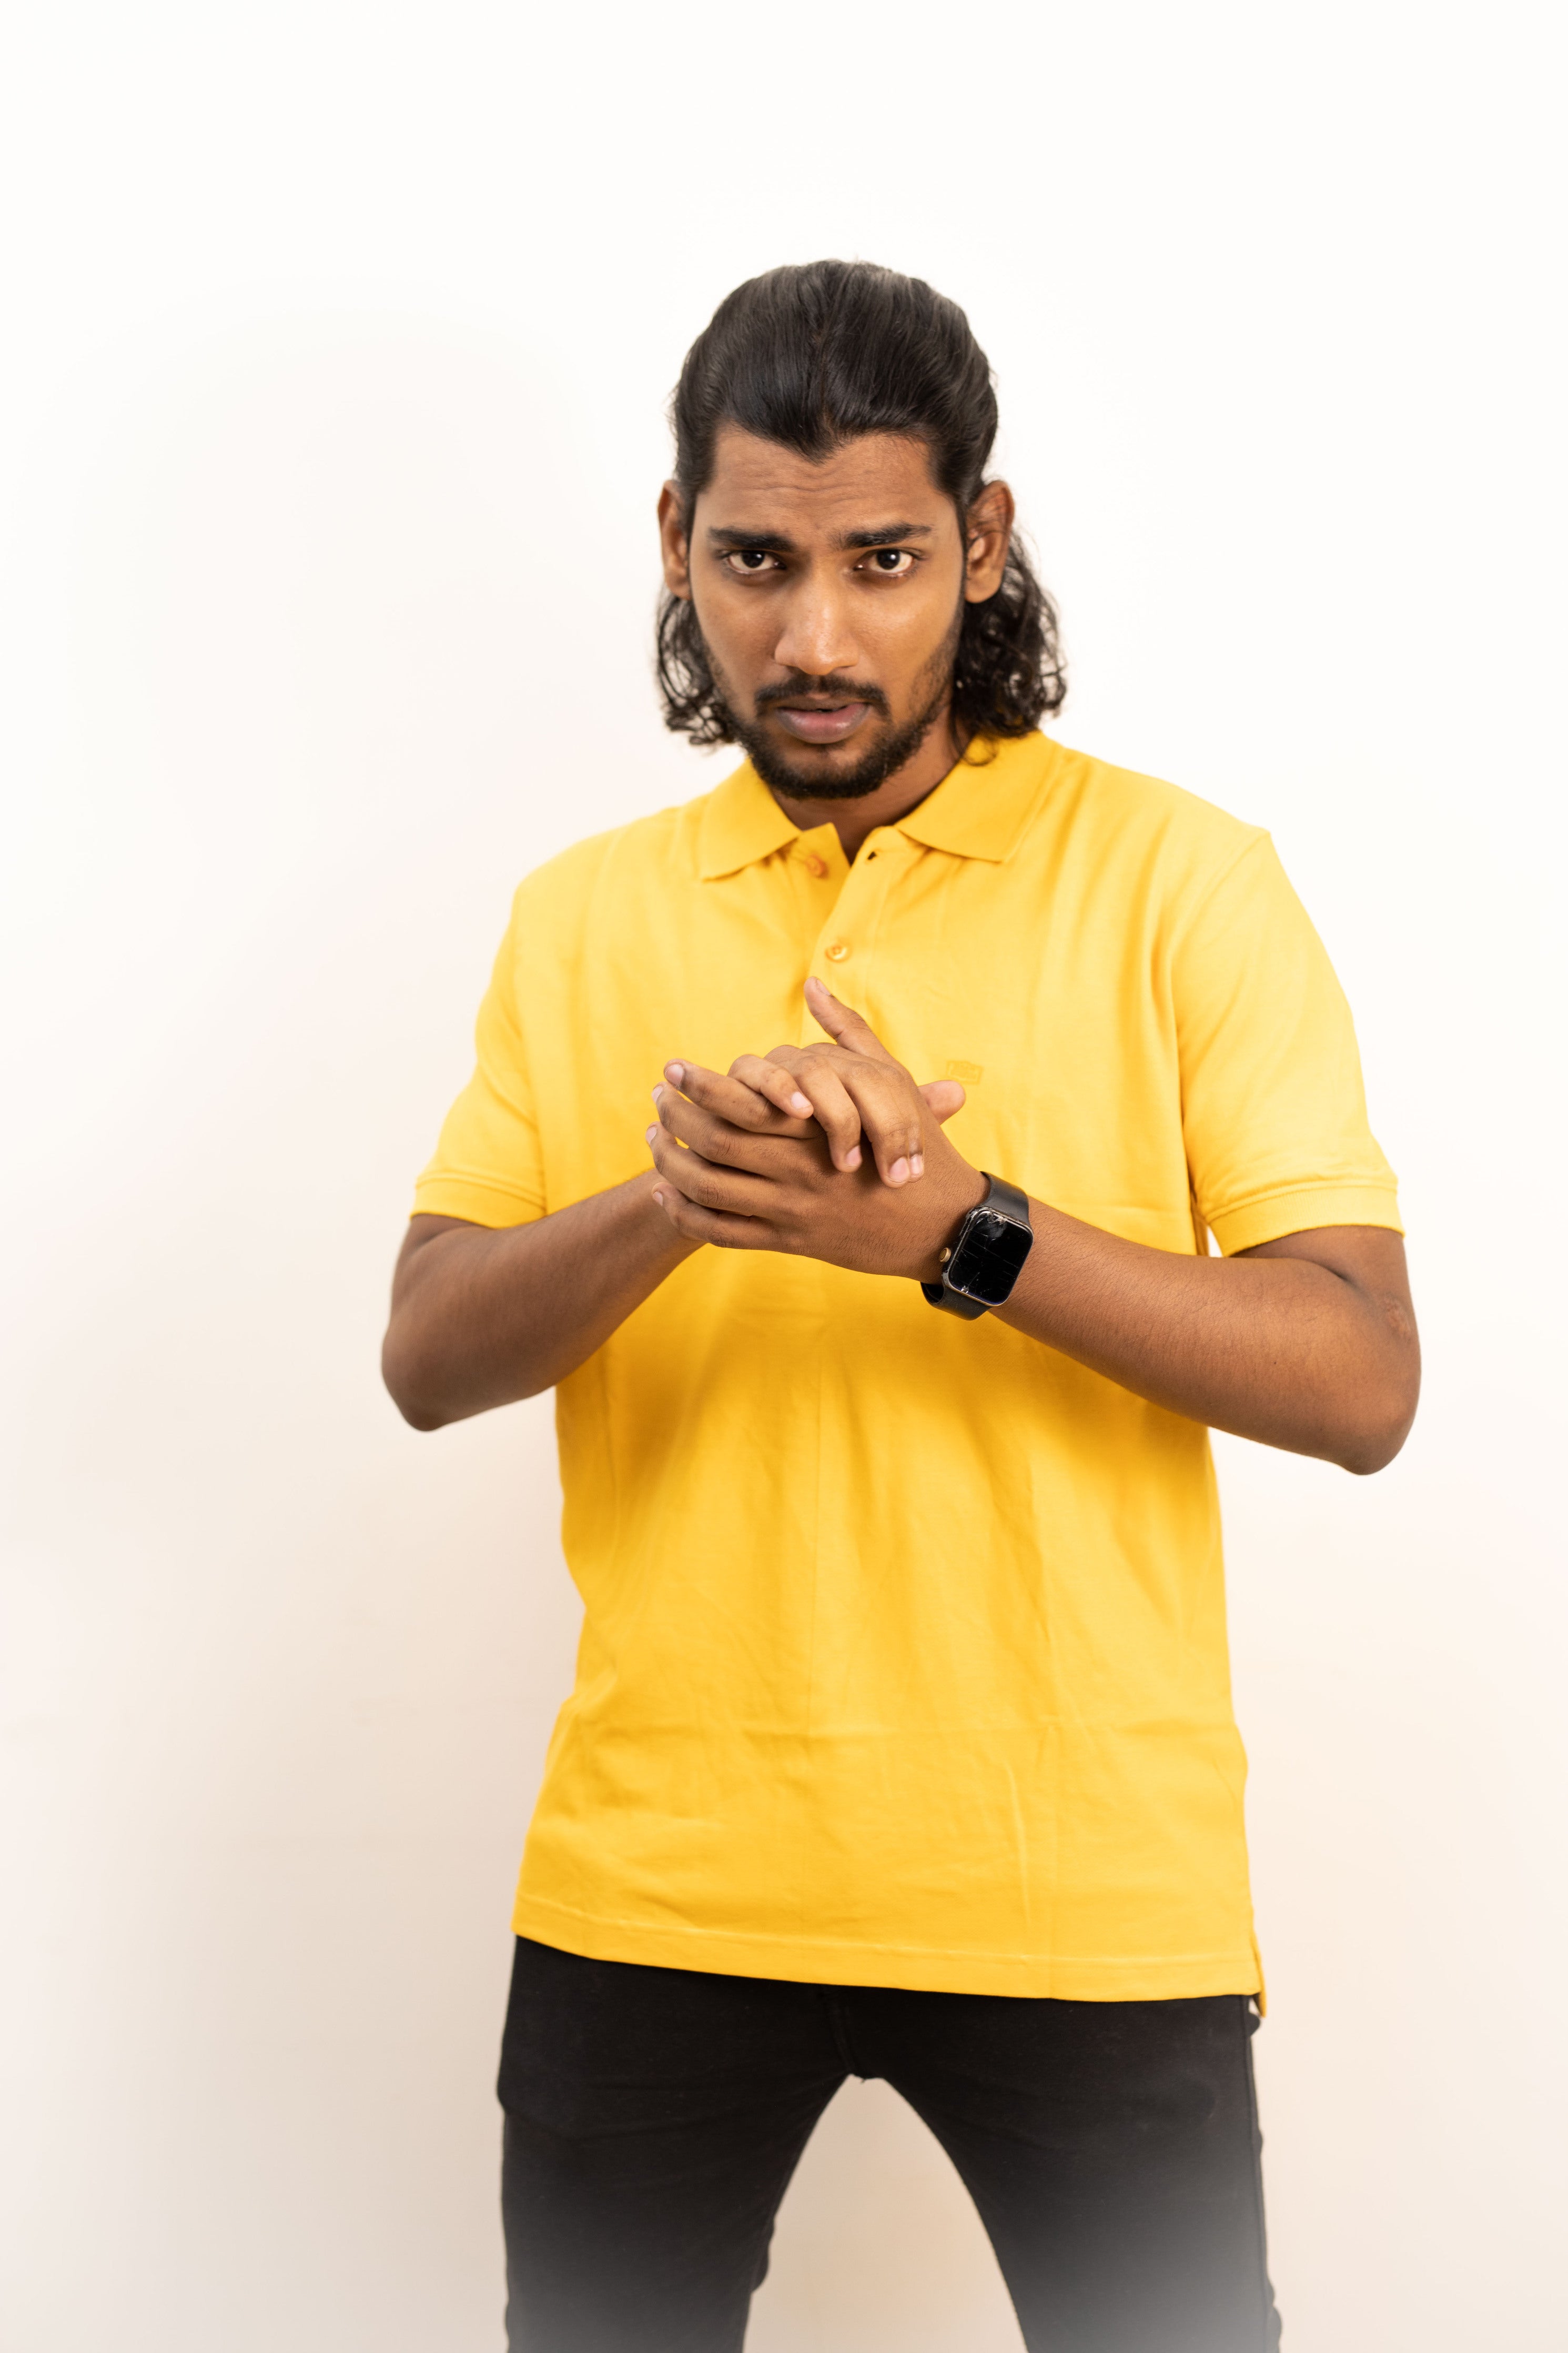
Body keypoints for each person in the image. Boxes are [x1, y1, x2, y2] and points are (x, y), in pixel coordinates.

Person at [382, 259, 1418, 2353]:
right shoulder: (578, 917)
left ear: (983, 540)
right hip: (658, 1879)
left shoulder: (1180, 880)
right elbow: (426, 1349)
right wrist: (681, 1198)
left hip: (1078, 1883)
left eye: (882, 559)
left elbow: (1358, 1375)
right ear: (676, 540)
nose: (816, 638)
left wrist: (967, 1233)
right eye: (756, 560)